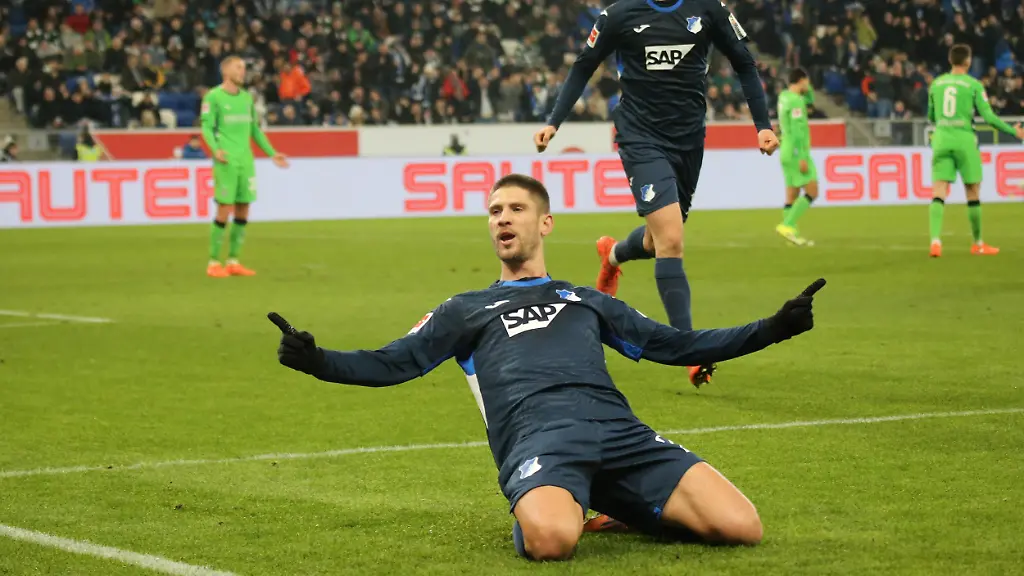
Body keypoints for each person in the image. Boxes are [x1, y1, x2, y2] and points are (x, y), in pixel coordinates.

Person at [269, 174, 826, 561]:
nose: (501, 220)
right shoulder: (465, 309)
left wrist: (773, 327)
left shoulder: (585, 298)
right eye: (493, 212)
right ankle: (559, 502)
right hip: (540, 441)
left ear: (546, 223)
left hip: (619, 431)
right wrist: (315, 360)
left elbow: (673, 344)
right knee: (553, 542)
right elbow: (393, 362)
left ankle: (610, 498)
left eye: (515, 209)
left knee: (741, 527)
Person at [533, 0, 780, 388]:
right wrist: (554, 122)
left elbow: (745, 63)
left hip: (688, 141)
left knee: (656, 239)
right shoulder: (619, 15)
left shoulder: (709, 10)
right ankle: (691, 351)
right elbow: (584, 64)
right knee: (671, 239)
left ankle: (613, 254)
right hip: (640, 137)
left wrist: (761, 125)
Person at [926, 44, 1024, 258]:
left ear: (951, 60)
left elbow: (931, 116)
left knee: (938, 191)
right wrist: (1013, 131)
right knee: (972, 191)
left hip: (941, 138)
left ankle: (935, 241)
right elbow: (988, 118)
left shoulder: (936, 84)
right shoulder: (973, 85)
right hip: (964, 139)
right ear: (968, 61)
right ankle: (977, 243)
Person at [201, 55, 289, 278]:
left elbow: (255, 131)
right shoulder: (213, 97)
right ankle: (213, 263)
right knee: (224, 209)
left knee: (243, 209)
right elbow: (206, 127)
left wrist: (271, 153)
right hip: (226, 161)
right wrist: (215, 149)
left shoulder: (247, 98)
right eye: (238, 68)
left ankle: (233, 261)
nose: (243, 72)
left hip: (246, 161)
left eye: (243, 68)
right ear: (226, 71)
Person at [775, 67, 818, 246]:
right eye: (807, 81)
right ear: (801, 81)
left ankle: (790, 236)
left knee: (791, 194)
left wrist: (808, 93)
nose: (808, 85)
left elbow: (811, 102)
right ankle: (788, 224)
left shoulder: (783, 97)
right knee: (812, 191)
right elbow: (799, 130)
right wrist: (802, 156)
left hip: (784, 149)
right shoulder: (796, 102)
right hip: (796, 151)